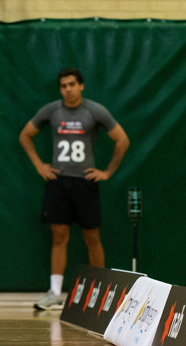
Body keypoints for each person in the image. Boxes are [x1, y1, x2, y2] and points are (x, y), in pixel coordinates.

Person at [19, 68, 129, 311]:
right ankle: (55, 292)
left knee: (92, 237)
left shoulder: (94, 110)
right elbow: (25, 135)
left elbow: (122, 140)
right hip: (58, 182)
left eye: (72, 84)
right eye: (63, 85)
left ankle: (98, 291)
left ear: (81, 86)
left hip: (85, 182)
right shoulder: (52, 110)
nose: (68, 89)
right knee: (59, 236)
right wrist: (39, 165)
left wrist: (107, 172)